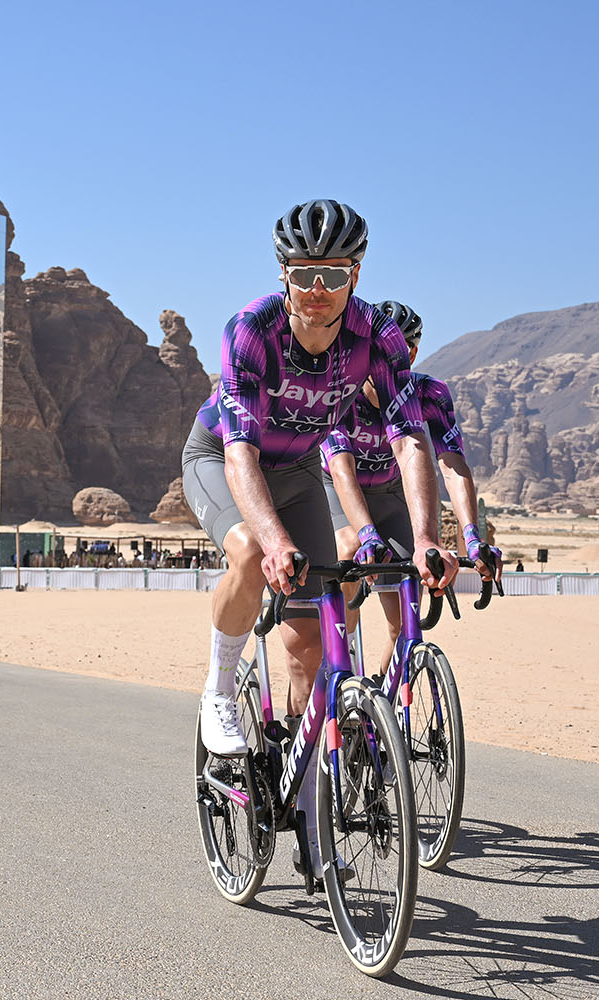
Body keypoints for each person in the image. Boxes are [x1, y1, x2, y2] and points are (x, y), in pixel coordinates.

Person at [182, 200, 454, 762]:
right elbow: (239, 454)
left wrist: (426, 536)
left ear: (355, 273)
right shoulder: (253, 329)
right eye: (304, 273)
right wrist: (278, 542)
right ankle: (219, 689)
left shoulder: (377, 337)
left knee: (309, 645)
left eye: (333, 274)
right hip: (223, 459)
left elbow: (409, 438)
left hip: (300, 469)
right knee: (254, 550)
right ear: (284, 272)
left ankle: (307, 788)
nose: (317, 289)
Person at [321, 302, 502, 676]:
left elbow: (451, 465)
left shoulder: (429, 394)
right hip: (337, 488)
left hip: (390, 495)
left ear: (411, 353)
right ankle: (345, 677)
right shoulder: (340, 392)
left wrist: (473, 536)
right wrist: (367, 534)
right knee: (350, 548)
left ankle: (379, 710)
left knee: (405, 621)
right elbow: (342, 471)